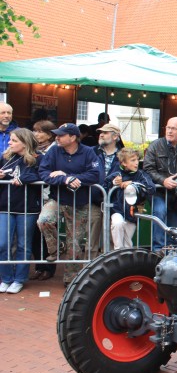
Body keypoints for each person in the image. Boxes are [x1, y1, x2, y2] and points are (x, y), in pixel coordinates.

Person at [37, 123, 100, 286]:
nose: (56, 137)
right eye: (56, 134)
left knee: (76, 243)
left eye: (61, 135)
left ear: (73, 137)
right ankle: (56, 248)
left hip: (79, 203)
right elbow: (43, 173)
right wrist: (64, 179)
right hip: (57, 198)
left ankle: (70, 279)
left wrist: (69, 175)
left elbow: (94, 175)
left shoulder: (88, 152)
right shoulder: (53, 151)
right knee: (44, 220)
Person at [0, 129, 43, 294]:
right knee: (3, 244)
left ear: (24, 142)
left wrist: (24, 178)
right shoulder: (5, 158)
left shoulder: (38, 158)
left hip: (27, 207)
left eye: (13, 140)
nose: (10, 143)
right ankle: (6, 278)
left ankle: (19, 279)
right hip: (5, 206)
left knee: (23, 245)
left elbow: (42, 175)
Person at [144, 117, 177, 252]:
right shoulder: (155, 145)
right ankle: (158, 250)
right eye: (168, 127)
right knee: (159, 211)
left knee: (176, 220)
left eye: (173, 128)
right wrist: (163, 181)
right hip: (158, 191)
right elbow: (147, 169)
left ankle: (171, 249)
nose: (169, 131)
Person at [105, 148, 155, 249]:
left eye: (137, 160)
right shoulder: (116, 174)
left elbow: (151, 188)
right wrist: (113, 183)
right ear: (124, 163)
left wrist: (133, 184)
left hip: (133, 212)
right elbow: (103, 188)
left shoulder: (141, 174)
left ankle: (125, 260)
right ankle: (117, 253)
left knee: (127, 244)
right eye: (133, 160)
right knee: (117, 224)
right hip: (117, 209)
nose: (136, 163)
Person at [89, 123, 122, 259]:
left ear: (115, 137)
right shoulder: (91, 152)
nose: (101, 135)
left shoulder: (123, 154)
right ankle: (88, 270)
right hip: (94, 200)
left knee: (112, 239)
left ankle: (111, 269)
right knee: (91, 239)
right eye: (100, 132)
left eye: (106, 132)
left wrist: (124, 180)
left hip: (114, 201)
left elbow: (132, 173)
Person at [29, 120, 57, 281]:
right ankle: (39, 266)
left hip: (48, 195)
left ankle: (49, 266)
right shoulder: (33, 150)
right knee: (35, 233)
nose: (36, 134)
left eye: (39, 131)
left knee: (45, 226)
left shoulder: (53, 150)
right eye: (34, 131)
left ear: (49, 134)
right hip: (35, 196)